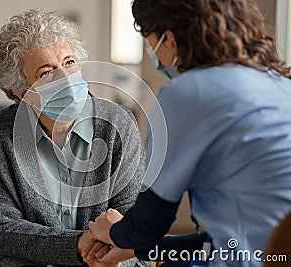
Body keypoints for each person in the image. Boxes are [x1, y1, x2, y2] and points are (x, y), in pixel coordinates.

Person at [87, 0, 291, 266]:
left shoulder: (186, 93)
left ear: (169, 38)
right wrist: (136, 250)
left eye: (151, 44)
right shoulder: (278, 83)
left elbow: (147, 226)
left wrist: (112, 231)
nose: (154, 55)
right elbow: (221, 244)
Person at [0, 9, 147, 267]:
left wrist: (99, 251)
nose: (66, 78)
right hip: (25, 260)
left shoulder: (119, 124)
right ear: (20, 91)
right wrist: (74, 245)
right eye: (46, 72)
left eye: (70, 62)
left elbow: (132, 214)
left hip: (109, 258)